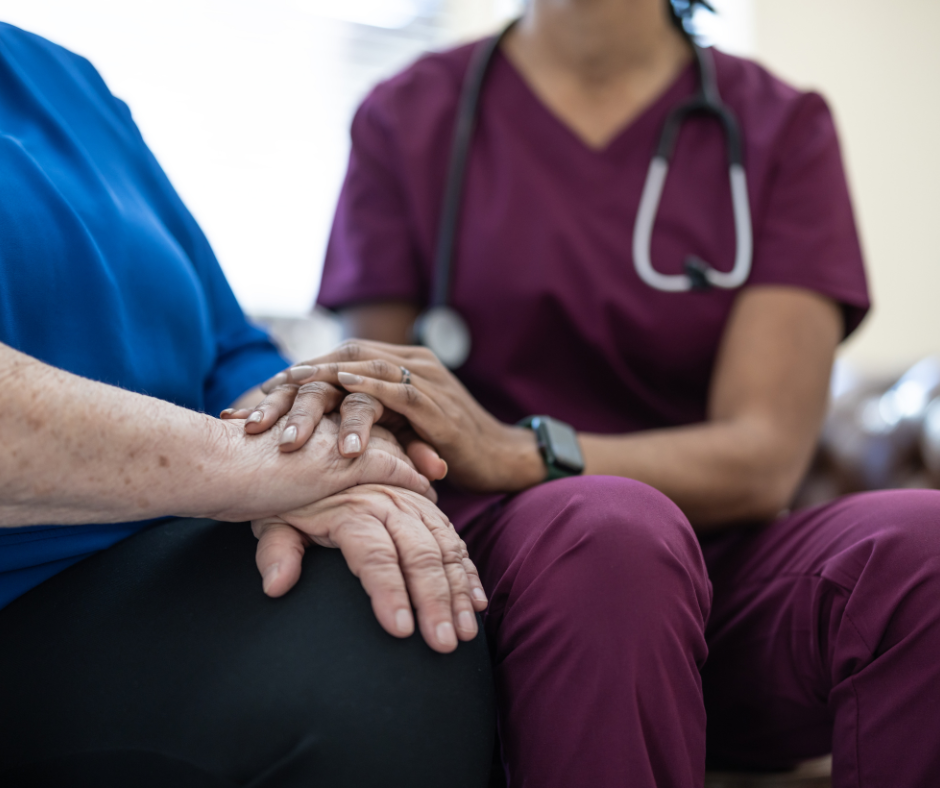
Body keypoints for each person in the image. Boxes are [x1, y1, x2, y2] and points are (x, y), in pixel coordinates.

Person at [239, 1, 940, 786]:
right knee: (613, 534)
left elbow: (764, 457)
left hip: (725, 579)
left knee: (926, 548)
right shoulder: (410, 114)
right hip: (499, 571)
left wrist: (523, 450)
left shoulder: (780, 127)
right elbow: (380, 401)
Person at [0, 21, 495, 788]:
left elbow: (231, 347)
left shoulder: (67, 80)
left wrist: (330, 449)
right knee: (365, 669)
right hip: (24, 591)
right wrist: (255, 469)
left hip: (158, 553)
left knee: (396, 594)